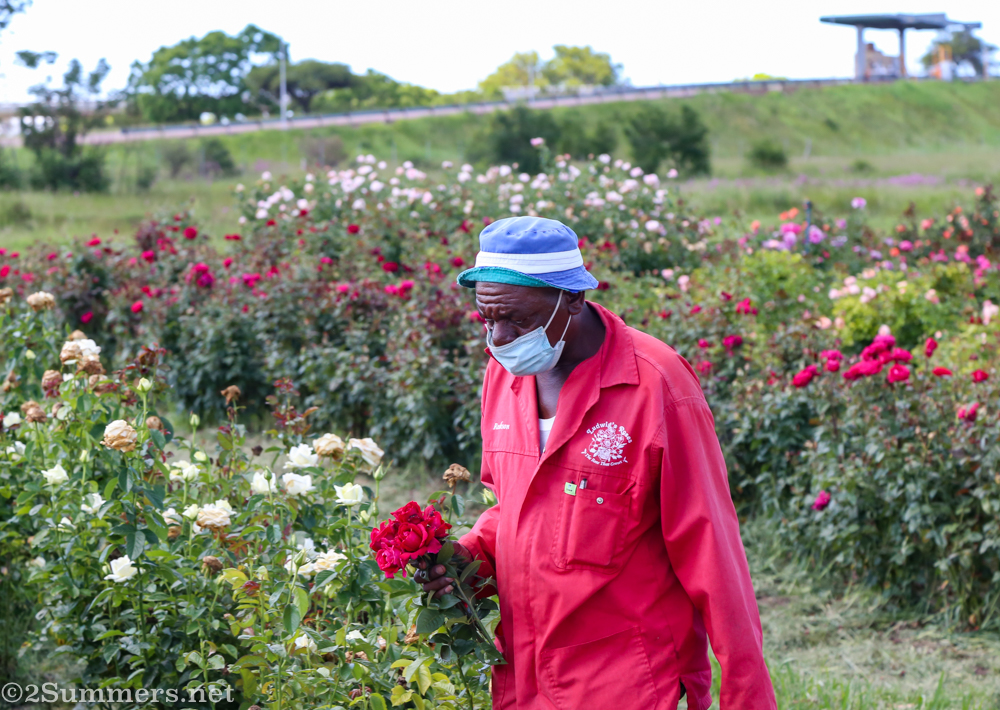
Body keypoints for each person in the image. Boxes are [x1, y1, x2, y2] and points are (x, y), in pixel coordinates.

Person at [416, 216, 776, 709]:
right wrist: (467, 561)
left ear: (574, 299)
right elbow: (517, 507)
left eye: (518, 320)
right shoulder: (503, 376)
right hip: (525, 680)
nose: (499, 338)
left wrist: (747, 697)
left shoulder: (656, 385)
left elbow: (712, 551)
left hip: (626, 683)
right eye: (487, 319)